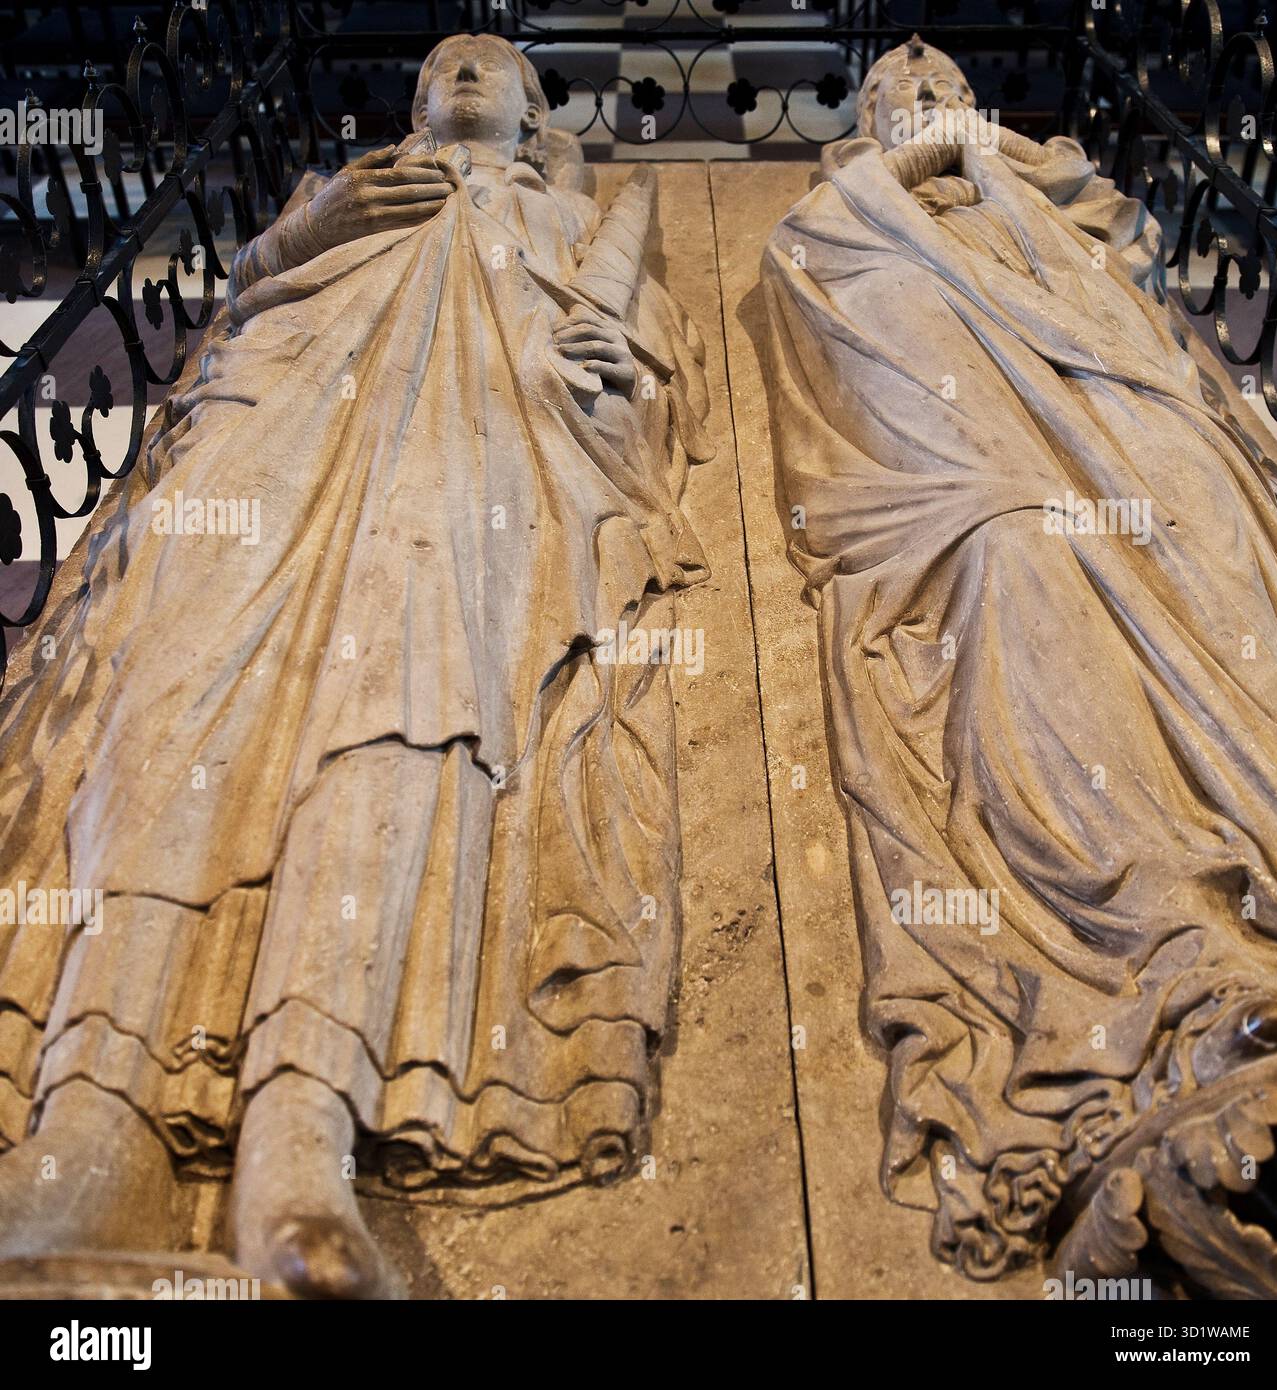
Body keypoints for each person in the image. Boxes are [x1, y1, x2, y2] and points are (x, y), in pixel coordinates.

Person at [0, 33, 710, 1297]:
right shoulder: (342, 193)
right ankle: (84, 1139)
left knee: (402, 710)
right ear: (416, 98)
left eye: (498, 61)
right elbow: (240, 306)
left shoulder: (571, 215)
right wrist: (294, 238)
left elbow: (640, 366)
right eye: (446, 60)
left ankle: (300, 1142)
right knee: (172, 701)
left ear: (540, 105)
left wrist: (620, 375)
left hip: (478, 434)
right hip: (273, 423)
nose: (470, 69)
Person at [763, 36, 1277, 1286]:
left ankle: (1270, 872)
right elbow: (872, 408)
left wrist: (1003, 177)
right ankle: (1158, 922)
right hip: (976, 486)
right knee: (1011, 563)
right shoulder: (834, 229)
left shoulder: (1055, 214)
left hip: (1140, 437)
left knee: (1220, 547)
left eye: (949, 88)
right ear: (861, 124)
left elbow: (1138, 308)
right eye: (900, 94)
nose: (930, 101)